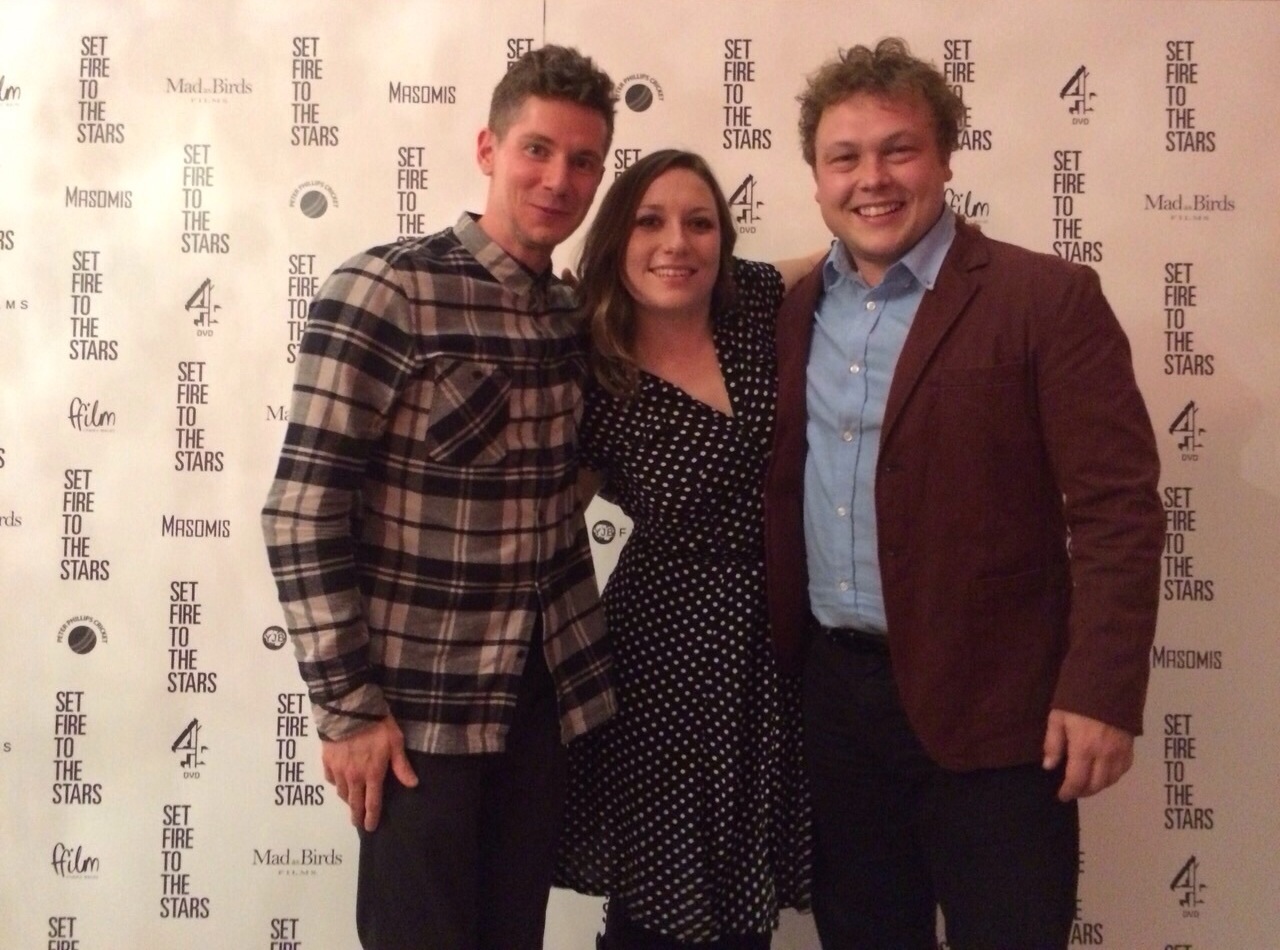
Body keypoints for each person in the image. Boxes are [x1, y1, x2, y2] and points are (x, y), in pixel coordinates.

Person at [762, 39, 1165, 950]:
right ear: (816, 178)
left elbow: (1117, 509)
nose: (873, 178)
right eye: (845, 157)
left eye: (899, 149)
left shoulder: (1046, 298)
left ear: (945, 159)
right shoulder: (790, 310)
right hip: (833, 706)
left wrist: (1100, 689)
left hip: (1001, 709)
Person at [261, 45, 617, 950]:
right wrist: (347, 710)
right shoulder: (388, 289)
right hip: (418, 718)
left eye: (583, 161)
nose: (558, 179)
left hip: (542, 702)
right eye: (538, 149)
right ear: (488, 148)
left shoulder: (572, 315)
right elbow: (302, 512)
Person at [554, 149, 816, 950]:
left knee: (742, 896)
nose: (678, 242)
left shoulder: (755, 303)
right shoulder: (591, 370)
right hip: (663, 650)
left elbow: (840, 254)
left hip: (780, 643)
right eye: (651, 221)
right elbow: (546, 514)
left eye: (699, 223)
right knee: (660, 900)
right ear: (616, 238)